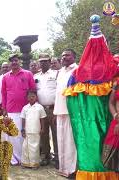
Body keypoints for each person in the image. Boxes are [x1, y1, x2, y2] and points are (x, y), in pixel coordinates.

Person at [65, 15, 118, 179]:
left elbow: (72, 105)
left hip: (87, 125)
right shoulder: (114, 68)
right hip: (111, 120)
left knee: (89, 145)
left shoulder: (76, 75)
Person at [1, 54, 36, 165]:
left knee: (24, 135)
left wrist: (33, 107)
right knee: (13, 136)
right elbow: (3, 94)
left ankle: (24, 158)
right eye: (12, 61)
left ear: (19, 62)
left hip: (26, 110)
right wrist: (4, 109)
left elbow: (33, 90)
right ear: (10, 63)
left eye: (16, 60)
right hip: (11, 111)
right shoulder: (5, 76)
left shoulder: (28, 74)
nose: (14, 63)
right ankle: (14, 158)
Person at [53, 49, 78, 178]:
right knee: (61, 140)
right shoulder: (60, 71)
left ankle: (72, 170)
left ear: (74, 57)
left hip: (71, 111)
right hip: (59, 110)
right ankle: (63, 168)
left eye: (67, 55)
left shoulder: (78, 70)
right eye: (62, 55)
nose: (64, 57)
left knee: (70, 142)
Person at [34, 54, 58, 168]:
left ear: (49, 62)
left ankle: (57, 157)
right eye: (41, 61)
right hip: (40, 108)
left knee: (55, 133)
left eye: (45, 61)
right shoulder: (36, 76)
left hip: (53, 108)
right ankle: (45, 156)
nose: (42, 63)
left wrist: (57, 107)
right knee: (43, 133)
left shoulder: (56, 74)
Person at [20, 90, 46, 169]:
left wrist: (43, 128)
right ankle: (25, 163)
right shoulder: (25, 108)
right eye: (29, 96)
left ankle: (34, 164)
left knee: (34, 147)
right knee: (25, 147)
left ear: (36, 97)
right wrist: (23, 129)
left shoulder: (40, 107)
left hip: (36, 130)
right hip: (27, 131)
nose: (31, 98)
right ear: (27, 98)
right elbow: (23, 119)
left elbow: (42, 119)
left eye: (33, 96)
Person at [102, 80, 119, 172]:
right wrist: (115, 116)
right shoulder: (116, 83)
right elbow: (111, 103)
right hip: (116, 122)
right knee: (112, 161)